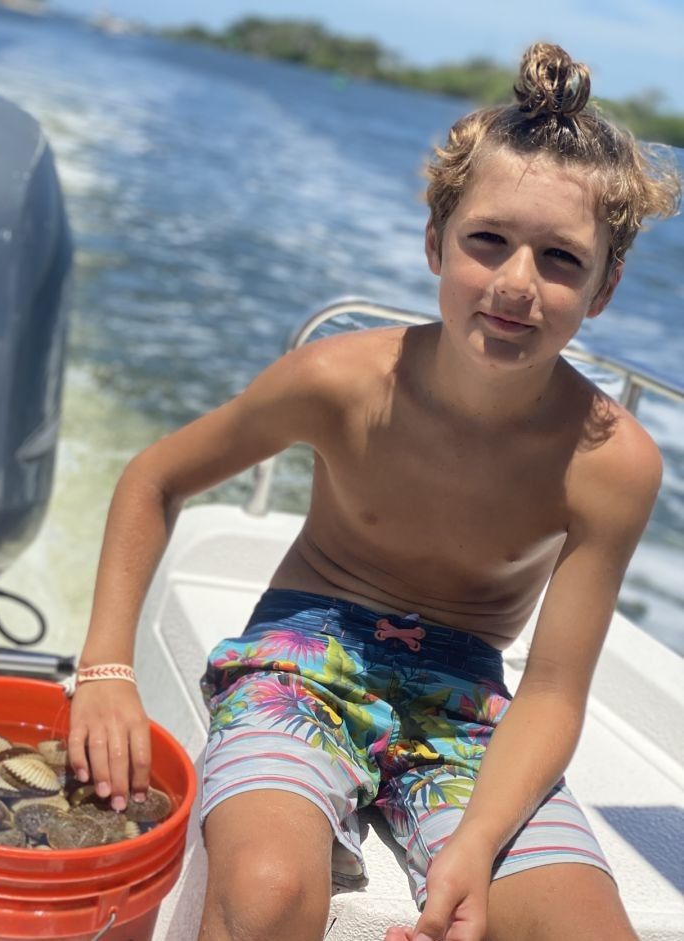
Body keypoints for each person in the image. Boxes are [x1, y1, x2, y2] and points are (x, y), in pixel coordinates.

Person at [67, 42, 680, 941]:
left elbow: (550, 688)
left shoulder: (611, 460)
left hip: (470, 700)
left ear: (604, 288)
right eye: (487, 241)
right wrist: (107, 670)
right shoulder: (337, 381)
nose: (516, 283)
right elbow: (155, 476)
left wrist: (474, 842)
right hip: (302, 655)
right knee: (268, 891)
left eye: (559, 259)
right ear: (436, 240)